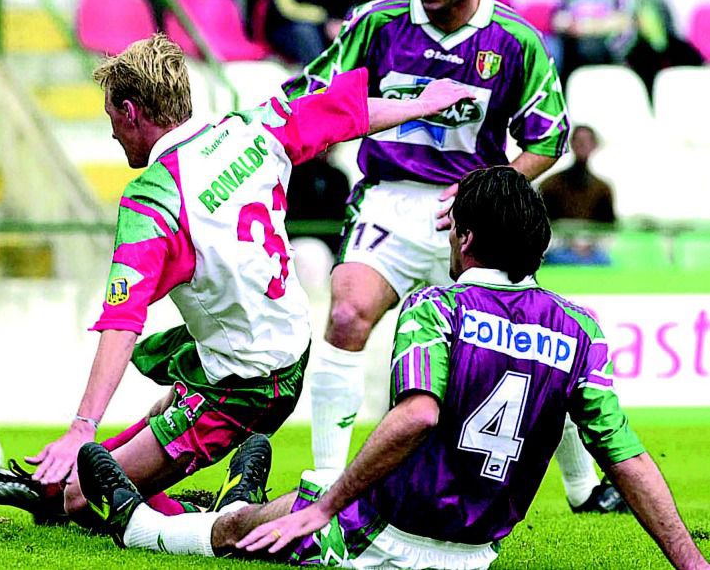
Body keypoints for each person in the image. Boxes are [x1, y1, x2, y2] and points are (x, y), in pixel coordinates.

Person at [75, 167, 710, 570]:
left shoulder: (438, 307)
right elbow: (626, 455)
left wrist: (329, 506)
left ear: (462, 239)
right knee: (282, 507)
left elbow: (418, 415)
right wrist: (689, 561)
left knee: (253, 526)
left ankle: (143, 526)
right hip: (478, 553)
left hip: (376, 540)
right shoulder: (581, 330)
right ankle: (243, 491)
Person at [0, 33, 474, 526]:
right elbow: (342, 113)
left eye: (112, 116)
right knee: (157, 372)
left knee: (79, 501)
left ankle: (231, 505)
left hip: (243, 387)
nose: (111, 131)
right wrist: (419, 104)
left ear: (132, 112)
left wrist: (81, 427)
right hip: (286, 349)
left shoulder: (154, 199)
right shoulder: (249, 129)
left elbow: (121, 321)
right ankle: (66, 478)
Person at [282, 0, 620, 515]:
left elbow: (548, 137)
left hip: (471, 217)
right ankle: (323, 484)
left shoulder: (515, 40)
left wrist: (487, 192)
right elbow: (313, 95)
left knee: (540, 341)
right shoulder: (377, 24)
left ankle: (584, 488)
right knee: (348, 312)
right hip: (389, 201)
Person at [619, 0, 704, 96]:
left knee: (690, 55)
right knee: (645, 59)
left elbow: (669, 22)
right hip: (633, 42)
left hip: (661, 39)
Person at [540, 124, 615, 266]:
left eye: (587, 141)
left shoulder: (603, 188)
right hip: (559, 250)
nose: (583, 145)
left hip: (593, 252)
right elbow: (542, 225)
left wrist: (589, 244)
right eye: (579, 140)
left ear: (595, 145)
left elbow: (608, 227)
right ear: (571, 143)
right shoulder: (551, 185)